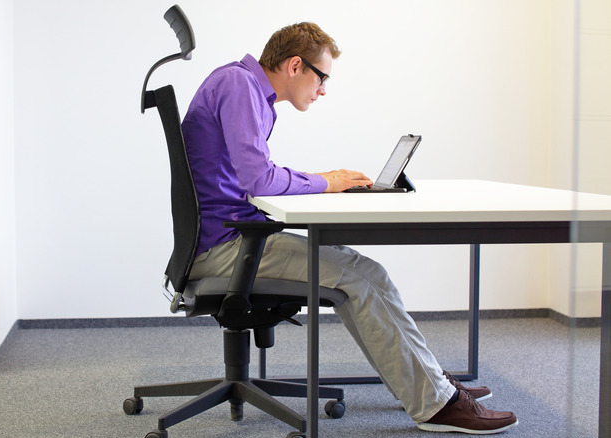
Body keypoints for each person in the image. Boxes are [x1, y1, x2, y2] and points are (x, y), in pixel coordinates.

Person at [181, 22, 518, 435]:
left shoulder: (241, 85)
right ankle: (435, 404)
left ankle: (428, 382)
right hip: (227, 248)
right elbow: (259, 180)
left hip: (231, 237)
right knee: (357, 280)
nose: (322, 89)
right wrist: (328, 180)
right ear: (294, 65)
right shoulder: (239, 86)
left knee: (370, 272)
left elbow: (255, 175)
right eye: (321, 77)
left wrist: (325, 179)